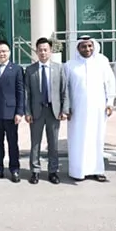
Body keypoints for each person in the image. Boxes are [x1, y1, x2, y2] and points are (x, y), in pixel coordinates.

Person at [65, 36, 116, 182]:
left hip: (98, 109)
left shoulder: (102, 62)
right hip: (76, 110)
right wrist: (66, 108)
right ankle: (78, 171)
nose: (87, 49)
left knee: (97, 138)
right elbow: (65, 89)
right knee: (78, 139)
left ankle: (97, 170)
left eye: (89, 46)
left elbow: (110, 82)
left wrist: (110, 102)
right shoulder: (70, 65)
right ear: (78, 48)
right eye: (83, 46)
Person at [24, 38, 70, 185]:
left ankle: (53, 171)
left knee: (53, 143)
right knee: (35, 143)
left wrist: (64, 110)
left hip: (53, 111)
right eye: (40, 50)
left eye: (46, 49)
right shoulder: (30, 70)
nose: (43, 52)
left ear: (50, 51)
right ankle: (35, 171)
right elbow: (27, 93)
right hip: (37, 111)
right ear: (36, 51)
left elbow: (64, 90)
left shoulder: (59, 68)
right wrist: (28, 112)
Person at [0, 40, 25, 183]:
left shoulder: (17, 69)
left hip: (11, 113)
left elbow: (20, 92)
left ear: (9, 52)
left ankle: (14, 169)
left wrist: (19, 112)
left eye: (4, 51)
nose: (1, 54)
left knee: (13, 143)